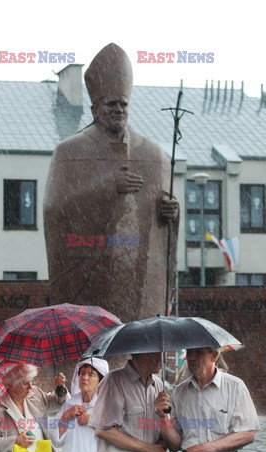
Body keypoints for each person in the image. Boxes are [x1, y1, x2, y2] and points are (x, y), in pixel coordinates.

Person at [43, 43, 179, 322]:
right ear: (95, 109)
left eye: (123, 104)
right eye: (111, 104)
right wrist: (106, 188)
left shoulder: (154, 155)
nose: (118, 110)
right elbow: (55, 210)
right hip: (92, 282)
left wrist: (172, 214)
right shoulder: (70, 152)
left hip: (137, 282)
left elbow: (164, 229)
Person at [155, 347, 260, 452]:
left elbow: (248, 435)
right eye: (190, 352)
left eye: (199, 352)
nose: (191, 357)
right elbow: (175, 445)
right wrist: (163, 417)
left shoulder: (235, 387)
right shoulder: (179, 392)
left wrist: (207, 448)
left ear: (214, 356)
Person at [0, 364, 69, 452]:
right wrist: (16, 440)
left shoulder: (35, 394)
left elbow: (55, 402)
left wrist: (60, 388)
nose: (30, 386)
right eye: (25, 383)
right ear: (11, 385)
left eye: (31, 381)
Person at [89, 353, 167, 452]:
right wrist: (148, 450)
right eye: (159, 353)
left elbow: (162, 435)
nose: (163, 358)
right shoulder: (114, 381)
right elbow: (102, 430)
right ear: (145, 353)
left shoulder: (158, 385)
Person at [50, 358, 109, 452]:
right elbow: (56, 439)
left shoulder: (107, 404)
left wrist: (92, 420)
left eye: (91, 374)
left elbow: (117, 434)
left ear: (101, 380)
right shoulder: (70, 404)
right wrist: (66, 416)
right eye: (82, 373)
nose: (85, 377)